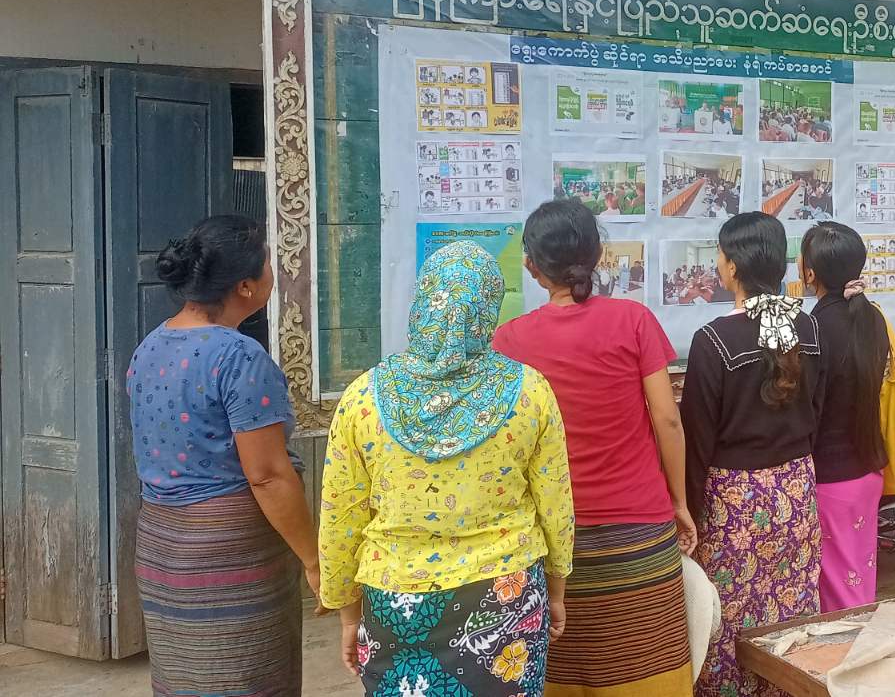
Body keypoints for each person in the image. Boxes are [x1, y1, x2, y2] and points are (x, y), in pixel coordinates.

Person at [318, 242, 574, 696]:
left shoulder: (362, 399)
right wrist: (555, 589)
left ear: (423, 302)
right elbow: (555, 506)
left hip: (395, 604)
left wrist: (347, 613)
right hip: (506, 595)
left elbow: (340, 517)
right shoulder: (530, 392)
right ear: (489, 307)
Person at [494, 200, 697, 696]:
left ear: (532, 267)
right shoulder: (634, 320)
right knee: (651, 666)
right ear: (598, 255)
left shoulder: (509, 340)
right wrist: (679, 502)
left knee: (562, 666)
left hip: (553, 537)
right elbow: (667, 418)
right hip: (640, 529)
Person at [129, 215, 316, 696]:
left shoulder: (150, 346)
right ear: (246, 287)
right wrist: (314, 559)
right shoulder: (239, 357)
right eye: (269, 264)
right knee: (247, 678)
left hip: (161, 547)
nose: (273, 272)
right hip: (229, 553)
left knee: (185, 681)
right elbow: (268, 476)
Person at [681, 212, 826, 697]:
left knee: (728, 619)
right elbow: (817, 410)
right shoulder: (807, 327)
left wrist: (688, 512)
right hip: (796, 492)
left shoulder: (713, 340)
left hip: (735, 505)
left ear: (732, 267)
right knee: (790, 609)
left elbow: (697, 440)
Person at [800, 222, 890, 612]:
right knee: (858, 577)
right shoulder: (872, 318)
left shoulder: (814, 328)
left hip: (829, 480)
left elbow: (810, 407)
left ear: (809, 274)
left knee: (838, 595)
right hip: (866, 471)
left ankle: (849, 646)